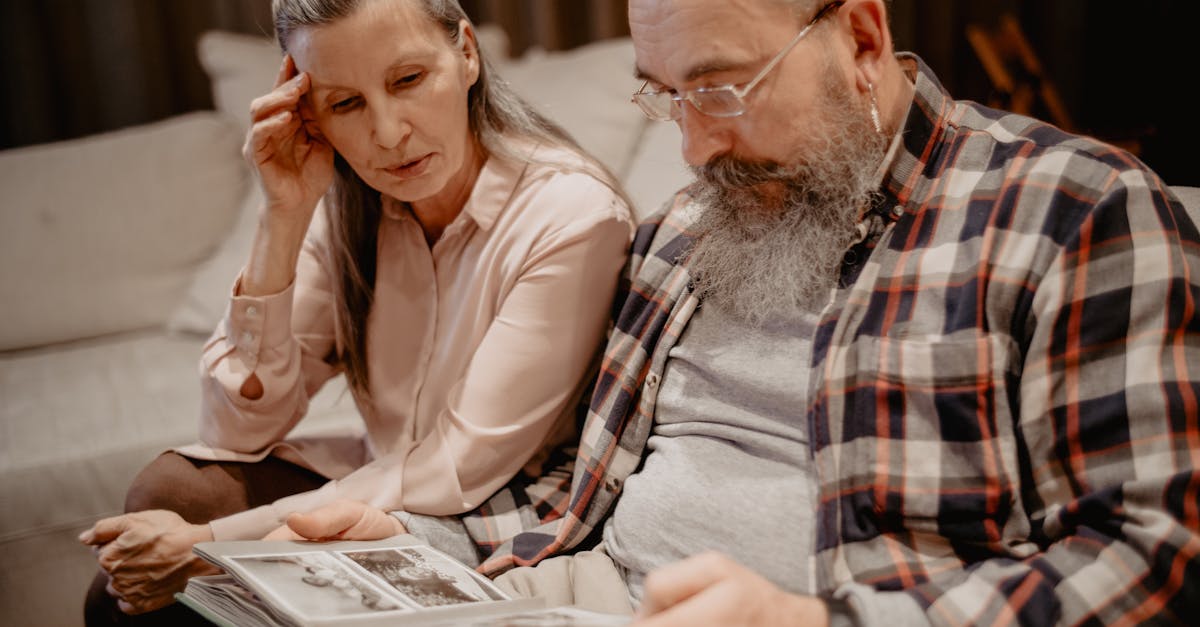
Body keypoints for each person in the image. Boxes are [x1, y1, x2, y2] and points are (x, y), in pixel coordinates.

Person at [225, 0, 1200, 625]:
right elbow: (571, 489)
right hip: (583, 600)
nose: (693, 150)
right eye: (668, 99)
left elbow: (1154, 560)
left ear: (859, 38)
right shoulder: (689, 229)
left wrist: (818, 625)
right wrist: (399, 540)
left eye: (724, 90)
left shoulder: (1077, 214)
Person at [78, 0, 633, 622]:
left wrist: (213, 547)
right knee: (171, 491)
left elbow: (460, 463)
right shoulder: (350, 206)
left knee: (147, 573)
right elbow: (236, 432)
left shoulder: (572, 214)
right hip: (393, 474)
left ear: (468, 53)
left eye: (408, 80)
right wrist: (282, 214)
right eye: (345, 104)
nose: (389, 134)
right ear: (309, 114)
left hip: (506, 497)